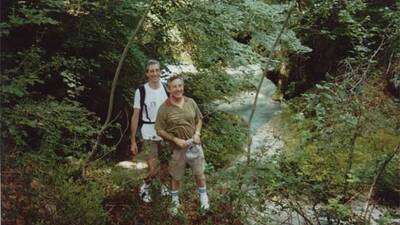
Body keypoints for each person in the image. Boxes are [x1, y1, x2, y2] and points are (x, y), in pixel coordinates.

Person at [155, 75, 210, 214]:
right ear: (169, 89)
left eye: (180, 86)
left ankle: (204, 199)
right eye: (174, 87)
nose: (178, 89)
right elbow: (159, 129)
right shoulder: (164, 108)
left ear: (183, 87)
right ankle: (175, 202)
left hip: (194, 145)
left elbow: (199, 119)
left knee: (200, 174)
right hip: (177, 149)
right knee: (176, 177)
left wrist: (197, 133)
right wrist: (174, 139)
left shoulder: (191, 102)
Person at [130, 59, 169, 202]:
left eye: (157, 70)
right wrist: (133, 140)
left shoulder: (166, 88)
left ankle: (161, 184)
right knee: (152, 166)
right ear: (147, 73)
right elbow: (135, 116)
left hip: (165, 131)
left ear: (160, 72)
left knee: (165, 163)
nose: (154, 73)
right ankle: (145, 187)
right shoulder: (141, 91)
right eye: (151, 71)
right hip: (148, 131)